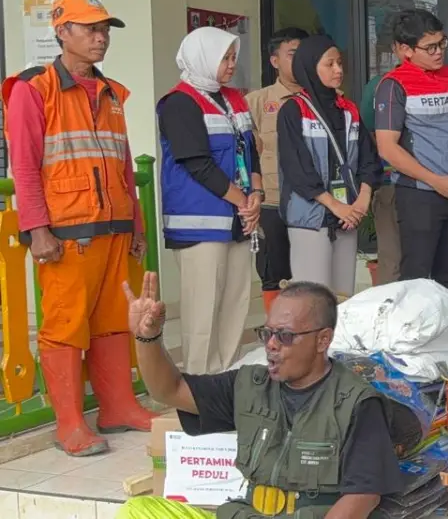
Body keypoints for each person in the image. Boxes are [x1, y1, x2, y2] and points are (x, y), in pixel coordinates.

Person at [117, 275, 414, 519]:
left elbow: (362, 497)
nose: (271, 345)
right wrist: (147, 337)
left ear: (323, 340)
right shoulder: (249, 385)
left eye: (284, 336)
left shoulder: (356, 403)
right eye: (267, 333)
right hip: (247, 514)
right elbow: (169, 390)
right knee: (139, 510)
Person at [1, 0, 155, 456]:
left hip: (114, 229)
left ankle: (118, 407)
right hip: (67, 234)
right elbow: (24, 166)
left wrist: (137, 225)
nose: (100, 37)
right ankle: (69, 424)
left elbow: (123, 164)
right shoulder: (34, 88)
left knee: (113, 323)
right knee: (65, 326)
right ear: (62, 31)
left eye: (104, 29)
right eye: (90, 28)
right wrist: (37, 229)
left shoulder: (111, 92)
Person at [158, 27, 262, 374]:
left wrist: (256, 194)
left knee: (236, 303)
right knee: (203, 309)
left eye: (233, 57)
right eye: (224, 58)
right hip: (200, 222)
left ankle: (227, 377)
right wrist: (243, 201)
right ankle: (200, 383)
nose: (231, 65)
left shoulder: (234, 99)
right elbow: (197, 163)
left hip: (237, 218)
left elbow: (251, 152)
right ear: (202, 58)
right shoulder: (179, 103)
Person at [375, 9, 448, 293]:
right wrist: (436, 181)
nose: (439, 52)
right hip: (420, 195)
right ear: (406, 50)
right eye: (430, 47)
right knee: (416, 280)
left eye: (442, 43)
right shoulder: (393, 85)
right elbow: (387, 148)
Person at [278, 36, 380, 299]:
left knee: (344, 298)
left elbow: (369, 158)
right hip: (311, 219)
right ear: (310, 67)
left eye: (340, 63)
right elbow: (297, 168)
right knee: (314, 300)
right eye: (330, 64)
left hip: (347, 217)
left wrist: (361, 201)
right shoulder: (293, 110)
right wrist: (336, 206)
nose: (338, 70)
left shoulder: (348, 110)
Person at [247, 28, 310, 312]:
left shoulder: (325, 98)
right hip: (272, 201)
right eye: (292, 54)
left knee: (310, 275)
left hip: (313, 202)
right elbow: (248, 155)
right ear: (275, 61)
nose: (299, 60)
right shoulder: (257, 102)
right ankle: (277, 328)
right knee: (273, 273)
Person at [359, 69, 402, 285]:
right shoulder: (381, 84)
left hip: (430, 188)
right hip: (389, 184)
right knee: (392, 260)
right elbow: (367, 132)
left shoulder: (435, 82)